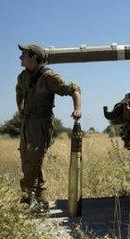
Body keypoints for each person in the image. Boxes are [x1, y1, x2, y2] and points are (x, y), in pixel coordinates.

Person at [16, 44, 82, 209]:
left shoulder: (48, 77)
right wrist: (21, 110)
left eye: (23, 55)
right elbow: (19, 92)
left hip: (41, 124)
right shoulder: (23, 76)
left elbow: (74, 89)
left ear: (33, 57)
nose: (20, 58)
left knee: (33, 160)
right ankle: (41, 199)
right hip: (27, 124)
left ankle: (26, 197)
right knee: (27, 159)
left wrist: (77, 109)